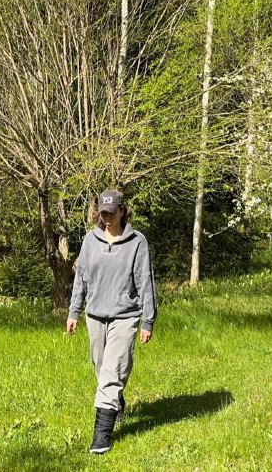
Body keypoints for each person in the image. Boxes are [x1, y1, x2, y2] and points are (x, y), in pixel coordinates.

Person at [66, 189, 157, 454]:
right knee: (101, 366)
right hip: (94, 315)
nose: (106, 218)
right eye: (102, 213)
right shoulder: (89, 241)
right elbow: (80, 278)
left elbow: (145, 282)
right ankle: (115, 401)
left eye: (111, 213)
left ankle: (101, 437)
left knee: (112, 370)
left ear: (122, 212)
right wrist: (74, 312)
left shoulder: (137, 242)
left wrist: (148, 320)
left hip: (125, 316)